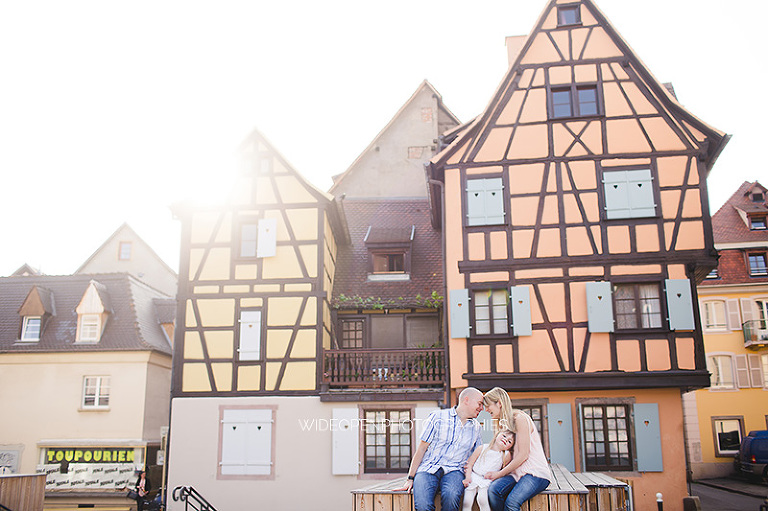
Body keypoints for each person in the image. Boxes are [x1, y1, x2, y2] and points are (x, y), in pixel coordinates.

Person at [399, 387, 485, 511]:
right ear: (466, 400)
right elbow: (422, 449)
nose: (481, 408)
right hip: (428, 468)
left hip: (455, 470)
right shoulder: (437, 417)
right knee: (423, 505)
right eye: (479, 403)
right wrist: (410, 478)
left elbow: (478, 455)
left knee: (451, 496)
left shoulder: (476, 428)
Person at [483, 387, 551, 511]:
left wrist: (498, 474)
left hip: (535, 473)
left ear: (499, 403)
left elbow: (523, 455)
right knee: (493, 491)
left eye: (488, 405)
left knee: (512, 502)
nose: (485, 409)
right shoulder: (501, 425)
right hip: (516, 474)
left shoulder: (519, 418)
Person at [462, 429, 515, 511]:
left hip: (487, 481)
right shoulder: (482, 448)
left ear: (511, 447)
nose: (505, 440)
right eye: (504, 436)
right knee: (467, 501)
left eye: (509, 441)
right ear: (497, 434)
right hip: (474, 477)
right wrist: (467, 477)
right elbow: (470, 464)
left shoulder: (506, 455)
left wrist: (495, 475)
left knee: (482, 500)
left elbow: (502, 471)